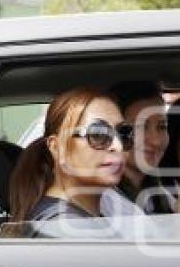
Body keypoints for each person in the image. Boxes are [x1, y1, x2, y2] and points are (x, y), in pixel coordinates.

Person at [9, 87, 132, 222]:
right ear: (56, 147)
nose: (118, 146)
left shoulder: (77, 219)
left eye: (123, 133)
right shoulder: (65, 226)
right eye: (98, 134)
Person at [102, 81, 180, 215]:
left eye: (162, 127)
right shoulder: (105, 199)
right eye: (141, 127)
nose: (156, 141)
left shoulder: (159, 193)